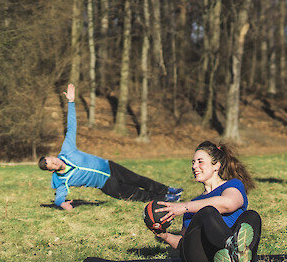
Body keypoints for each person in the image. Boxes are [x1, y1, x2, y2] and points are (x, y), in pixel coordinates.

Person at [38, 83, 182, 210]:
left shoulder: (67, 151)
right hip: (106, 185)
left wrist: (71, 102)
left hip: (109, 166)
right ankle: (165, 199)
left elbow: (71, 127)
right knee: (135, 194)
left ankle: (167, 190)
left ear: (52, 156)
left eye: (52, 159)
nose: (55, 162)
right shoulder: (62, 180)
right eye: (52, 165)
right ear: (51, 170)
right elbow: (59, 197)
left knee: (138, 179)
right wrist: (62, 204)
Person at [154, 141, 262, 262]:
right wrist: (164, 235)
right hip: (201, 256)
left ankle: (235, 257)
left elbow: (228, 204)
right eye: (193, 162)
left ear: (216, 166)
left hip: (227, 243)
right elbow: (183, 242)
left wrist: (184, 207)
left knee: (252, 216)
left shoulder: (232, 185)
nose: (194, 166)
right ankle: (232, 252)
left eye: (200, 162)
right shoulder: (194, 204)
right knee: (207, 211)